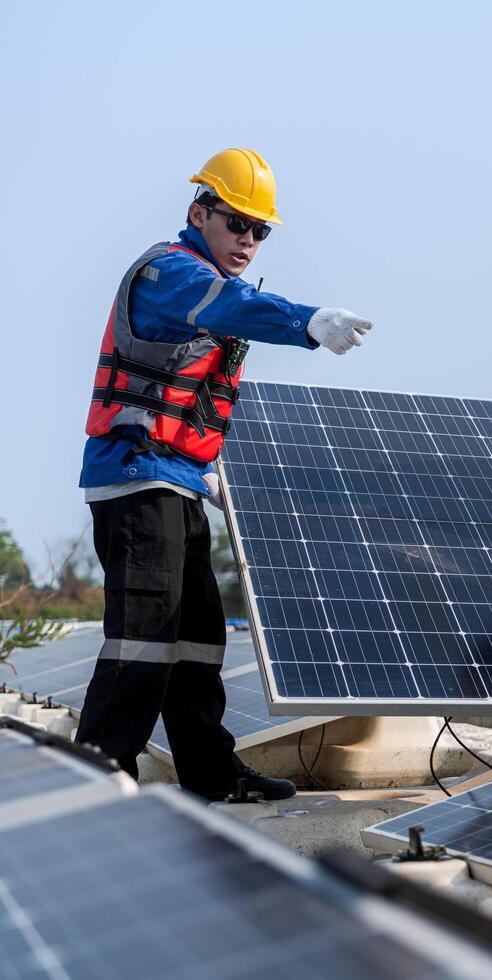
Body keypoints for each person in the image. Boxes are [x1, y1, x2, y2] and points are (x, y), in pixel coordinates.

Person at [76, 148, 373, 799]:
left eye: (259, 230)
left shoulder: (206, 284)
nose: (247, 239)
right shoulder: (171, 273)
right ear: (198, 212)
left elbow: (198, 392)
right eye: (236, 222)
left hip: (174, 479)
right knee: (146, 640)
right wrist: (306, 322)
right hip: (135, 478)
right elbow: (228, 304)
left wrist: (206, 470)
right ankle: (96, 784)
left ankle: (212, 774)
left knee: (198, 638)